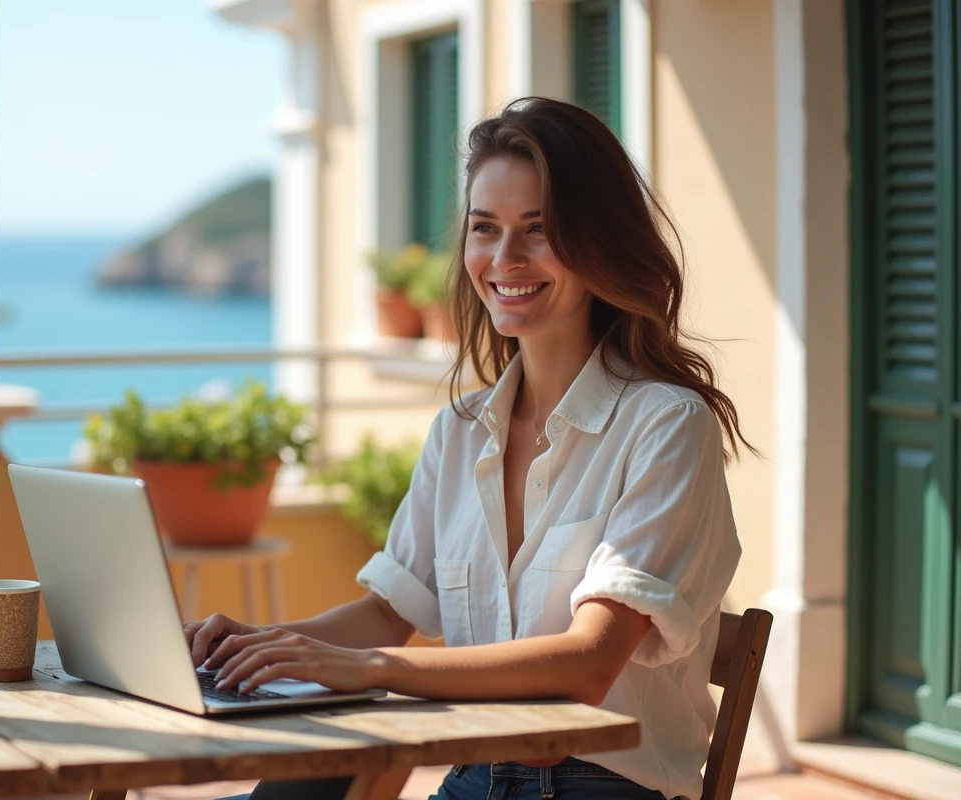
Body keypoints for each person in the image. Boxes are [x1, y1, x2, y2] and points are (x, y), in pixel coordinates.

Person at [186, 97, 753, 800]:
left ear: (599, 242)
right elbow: (390, 612)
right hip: (472, 777)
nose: (504, 258)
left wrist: (372, 670)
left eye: (539, 230)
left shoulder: (665, 425)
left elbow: (590, 661)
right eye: (486, 229)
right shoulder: (459, 432)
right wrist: (256, 645)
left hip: (601, 788)